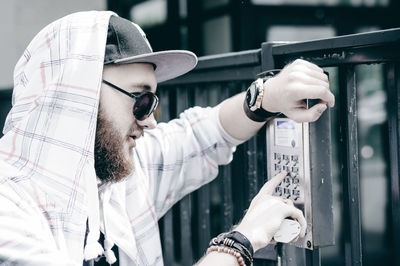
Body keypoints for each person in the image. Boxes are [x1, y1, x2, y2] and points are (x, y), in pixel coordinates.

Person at [0, 11, 334, 266]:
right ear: (77, 96)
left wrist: (266, 96)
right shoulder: (9, 210)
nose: (150, 123)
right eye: (141, 101)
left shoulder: (110, 176)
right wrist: (239, 243)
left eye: (153, 103)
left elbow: (202, 134)